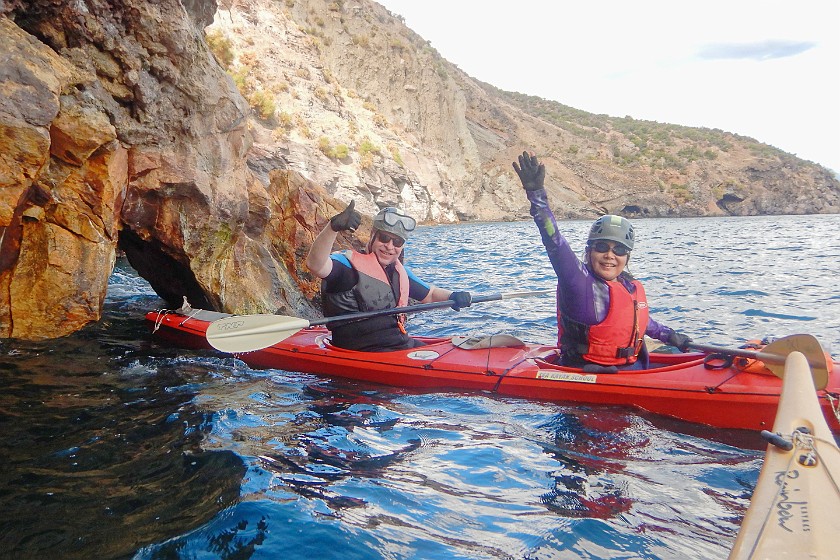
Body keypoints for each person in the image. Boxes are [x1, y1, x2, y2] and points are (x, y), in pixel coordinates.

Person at [512, 151, 692, 371]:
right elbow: (554, 242)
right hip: (587, 373)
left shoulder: (628, 285)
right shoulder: (578, 282)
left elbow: (640, 322)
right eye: (601, 247)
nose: (610, 255)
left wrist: (669, 335)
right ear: (589, 252)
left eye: (618, 250)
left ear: (627, 256)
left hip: (629, 368)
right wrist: (536, 195)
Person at [306, 201, 473, 352]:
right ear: (372, 235)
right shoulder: (347, 266)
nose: (390, 246)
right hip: (361, 351)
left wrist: (453, 296)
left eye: (397, 242)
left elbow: (429, 294)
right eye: (384, 238)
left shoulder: (398, 272)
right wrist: (333, 228)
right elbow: (316, 265)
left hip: (398, 344)